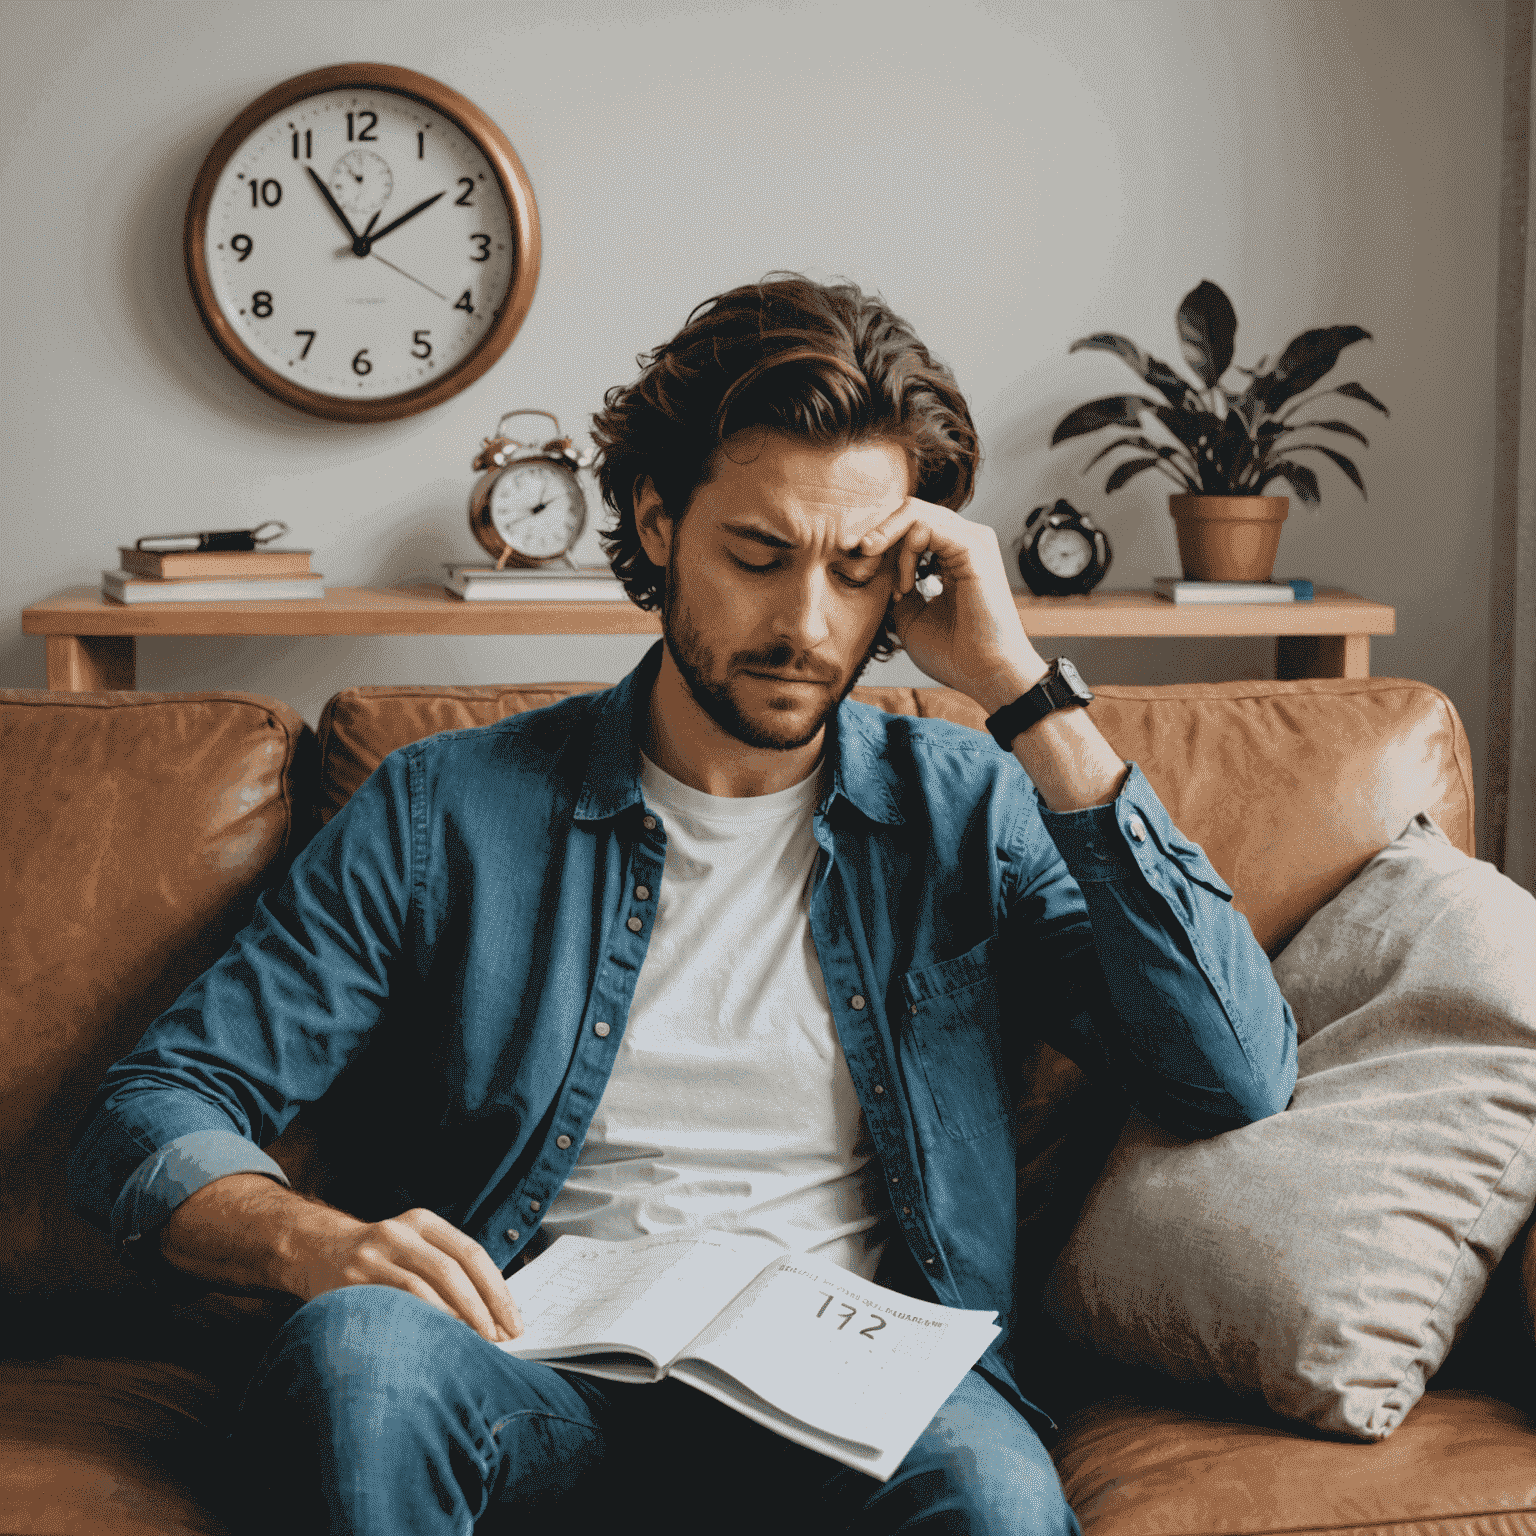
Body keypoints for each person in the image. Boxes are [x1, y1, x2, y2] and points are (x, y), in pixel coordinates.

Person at [66, 273, 1297, 1535]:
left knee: (991, 1492)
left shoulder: (967, 807)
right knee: (366, 1358)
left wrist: (1027, 695)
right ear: (657, 522)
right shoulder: (447, 807)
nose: (806, 625)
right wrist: (309, 1243)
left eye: (859, 569)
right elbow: (154, 1106)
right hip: (528, 1371)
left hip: (855, 1402)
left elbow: (1231, 1071)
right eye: (758, 556)